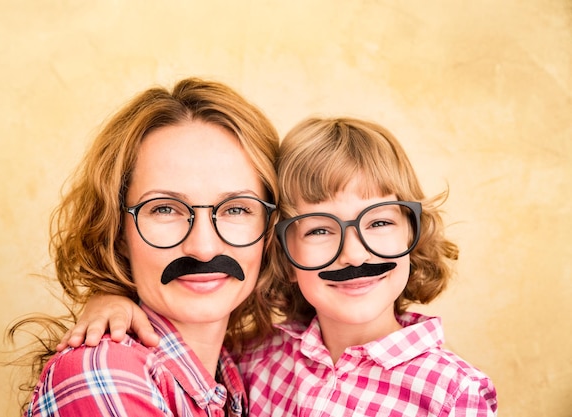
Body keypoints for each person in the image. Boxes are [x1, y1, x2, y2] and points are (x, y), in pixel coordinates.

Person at [58, 117, 498, 416]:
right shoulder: (257, 358)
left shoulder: (452, 392)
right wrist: (110, 296)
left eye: (380, 222)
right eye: (319, 231)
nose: (355, 255)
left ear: (413, 236)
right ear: (282, 253)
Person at [8, 77, 281, 416]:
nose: (204, 248)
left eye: (237, 209)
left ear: (270, 228)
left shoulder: (244, 373)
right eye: (164, 209)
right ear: (117, 231)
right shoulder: (105, 372)